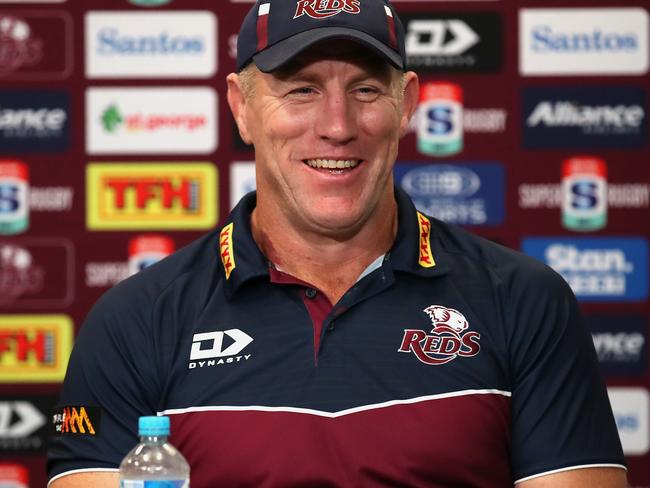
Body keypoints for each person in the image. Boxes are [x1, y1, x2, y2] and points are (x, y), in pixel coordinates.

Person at [48, 1, 628, 486]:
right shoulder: (133, 320)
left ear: (407, 104)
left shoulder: (525, 299)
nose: (337, 124)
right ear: (241, 109)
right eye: (300, 90)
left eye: (366, 90)